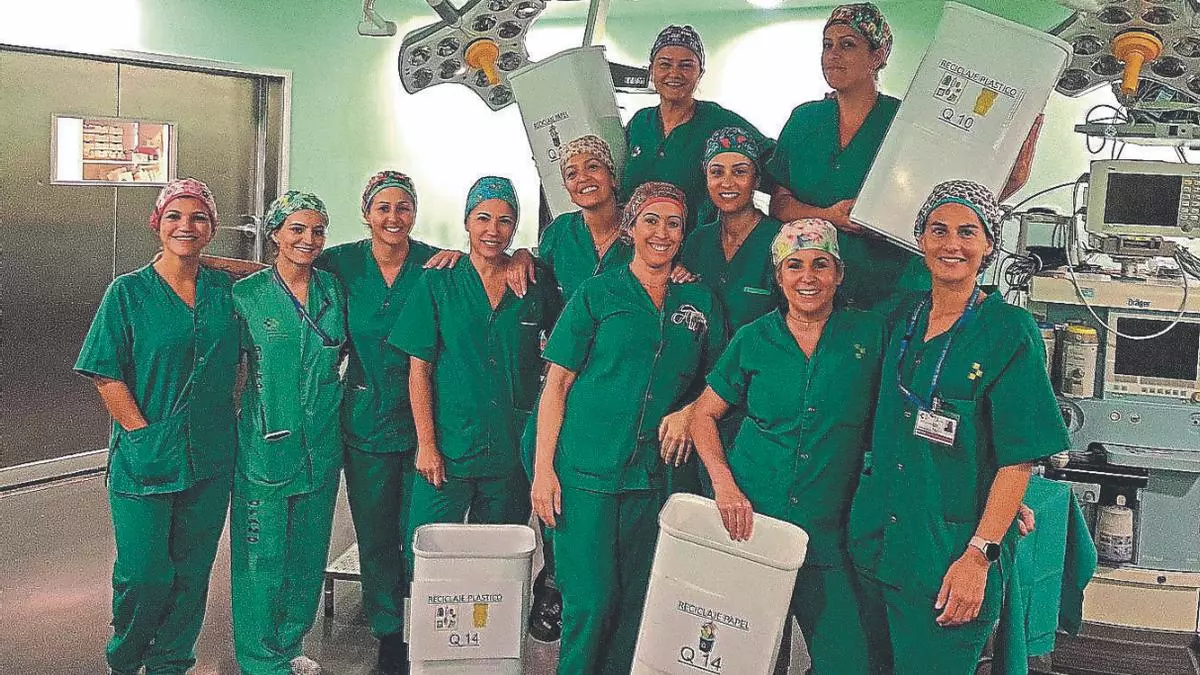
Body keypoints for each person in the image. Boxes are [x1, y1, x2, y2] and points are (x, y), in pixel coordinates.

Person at [847, 180, 1069, 673]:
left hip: (948, 560)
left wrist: (980, 554)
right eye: (938, 230)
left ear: (990, 243)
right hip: (877, 545)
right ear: (920, 239)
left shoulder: (1008, 331)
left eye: (968, 232)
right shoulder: (901, 316)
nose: (952, 244)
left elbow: (1018, 460)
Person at [530, 182, 727, 675]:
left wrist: (690, 410)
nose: (662, 233)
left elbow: (721, 383)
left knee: (638, 605)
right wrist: (543, 472)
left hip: (653, 476)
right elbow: (556, 385)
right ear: (630, 228)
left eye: (674, 223)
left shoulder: (698, 301)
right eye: (651, 221)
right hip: (585, 474)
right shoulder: (598, 294)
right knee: (591, 602)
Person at [690, 219, 880, 674]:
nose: (807, 277)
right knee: (746, 658)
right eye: (794, 266)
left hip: (829, 533)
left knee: (848, 662)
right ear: (778, 276)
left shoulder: (870, 335)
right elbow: (702, 416)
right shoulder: (754, 339)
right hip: (753, 524)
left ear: (839, 273)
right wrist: (724, 485)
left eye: (820, 265)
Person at [768, 3, 1041, 311]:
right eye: (827, 45)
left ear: (878, 55)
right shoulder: (804, 121)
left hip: (896, 291)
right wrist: (829, 215)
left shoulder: (911, 123)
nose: (833, 55)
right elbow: (779, 203)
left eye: (847, 45)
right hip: (814, 291)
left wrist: (1011, 180)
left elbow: (953, 201)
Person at [75, 178, 238, 675]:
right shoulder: (127, 292)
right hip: (145, 454)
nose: (186, 226)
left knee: (191, 573)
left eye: (199, 218)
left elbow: (281, 274)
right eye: (175, 217)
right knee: (144, 573)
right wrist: (142, 434)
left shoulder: (226, 291)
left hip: (210, 454)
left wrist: (217, 262)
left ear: (212, 228)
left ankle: (170, 663)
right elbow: (105, 373)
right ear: (156, 223)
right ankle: (125, 659)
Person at [391, 176, 559, 576]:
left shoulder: (534, 282)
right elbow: (419, 370)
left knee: (499, 562)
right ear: (466, 221)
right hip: (448, 447)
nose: (492, 230)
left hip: (510, 448)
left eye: (505, 220)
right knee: (427, 559)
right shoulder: (439, 280)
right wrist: (426, 445)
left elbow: (562, 354)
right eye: (483, 218)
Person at [230, 191, 347, 675]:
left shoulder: (333, 291)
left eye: (317, 230)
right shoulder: (247, 296)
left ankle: (290, 643)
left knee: (307, 554)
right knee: (263, 558)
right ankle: (260, 659)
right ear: (274, 234)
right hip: (265, 447)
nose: (308, 239)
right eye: (297, 229)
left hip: (322, 442)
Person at [622, 24, 776, 236]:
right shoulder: (640, 122)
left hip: (695, 247)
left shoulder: (718, 121)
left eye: (686, 66)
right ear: (651, 70)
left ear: (700, 73)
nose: (674, 73)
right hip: (637, 247)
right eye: (665, 64)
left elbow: (775, 164)